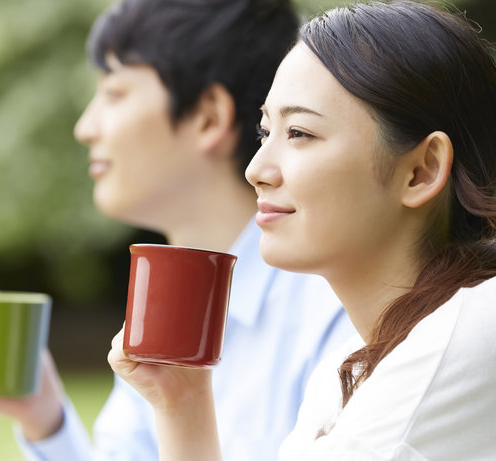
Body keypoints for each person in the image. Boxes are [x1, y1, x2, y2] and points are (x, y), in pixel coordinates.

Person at [0, 0, 355, 460]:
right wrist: (45, 420)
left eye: (115, 93)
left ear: (208, 117)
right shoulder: (159, 304)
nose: (85, 127)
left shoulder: (334, 314)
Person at [108, 0, 496, 459]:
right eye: (264, 132)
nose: (257, 169)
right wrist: (182, 401)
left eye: (299, 133)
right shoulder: (345, 371)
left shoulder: (460, 341)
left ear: (421, 171)